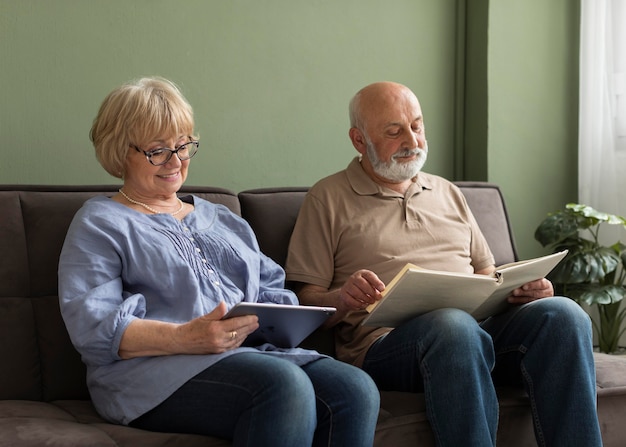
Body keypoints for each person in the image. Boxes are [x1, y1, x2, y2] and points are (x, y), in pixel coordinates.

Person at [58, 77, 380, 447]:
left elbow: (271, 295)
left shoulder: (224, 219)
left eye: (183, 146)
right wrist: (186, 337)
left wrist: (328, 303)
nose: (176, 161)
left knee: (355, 389)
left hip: (255, 356)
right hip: (150, 373)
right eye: (157, 150)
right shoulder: (100, 222)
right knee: (283, 386)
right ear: (119, 151)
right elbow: (93, 328)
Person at [285, 81, 603, 446]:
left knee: (563, 314)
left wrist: (524, 291)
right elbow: (303, 301)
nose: (412, 140)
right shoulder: (327, 197)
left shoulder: (448, 193)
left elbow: (488, 277)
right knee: (453, 326)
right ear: (359, 140)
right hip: (386, 347)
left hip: (474, 332)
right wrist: (343, 297)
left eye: (417, 126)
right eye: (394, 131)